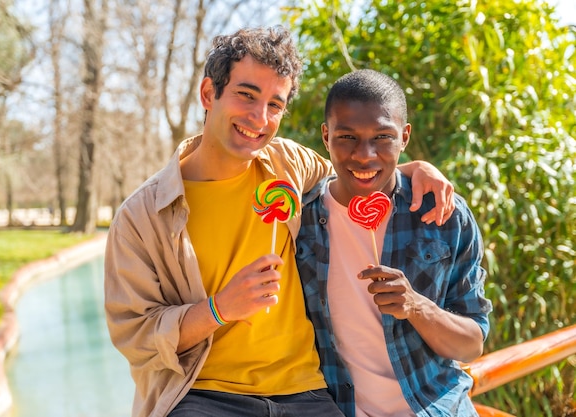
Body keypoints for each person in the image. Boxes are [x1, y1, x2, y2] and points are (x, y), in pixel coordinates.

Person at [104, 26, 455, 417]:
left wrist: (417, 167)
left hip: (306, 390)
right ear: (209, 94)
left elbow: (355, 171)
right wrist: (219, 309)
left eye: (275, 104)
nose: (260, 118)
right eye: (247, 95)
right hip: (204, 394)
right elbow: (135, 335)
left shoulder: (288, 163)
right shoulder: (143, 215)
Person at [295, 68, 493, 417]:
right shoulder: (299, 220)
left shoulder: (444, 216)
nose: (365, 155)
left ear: (405, 137)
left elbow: (471, 344)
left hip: (437, 408)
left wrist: (416, 307)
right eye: (347, 137)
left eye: (383, 137)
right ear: (325, 136)